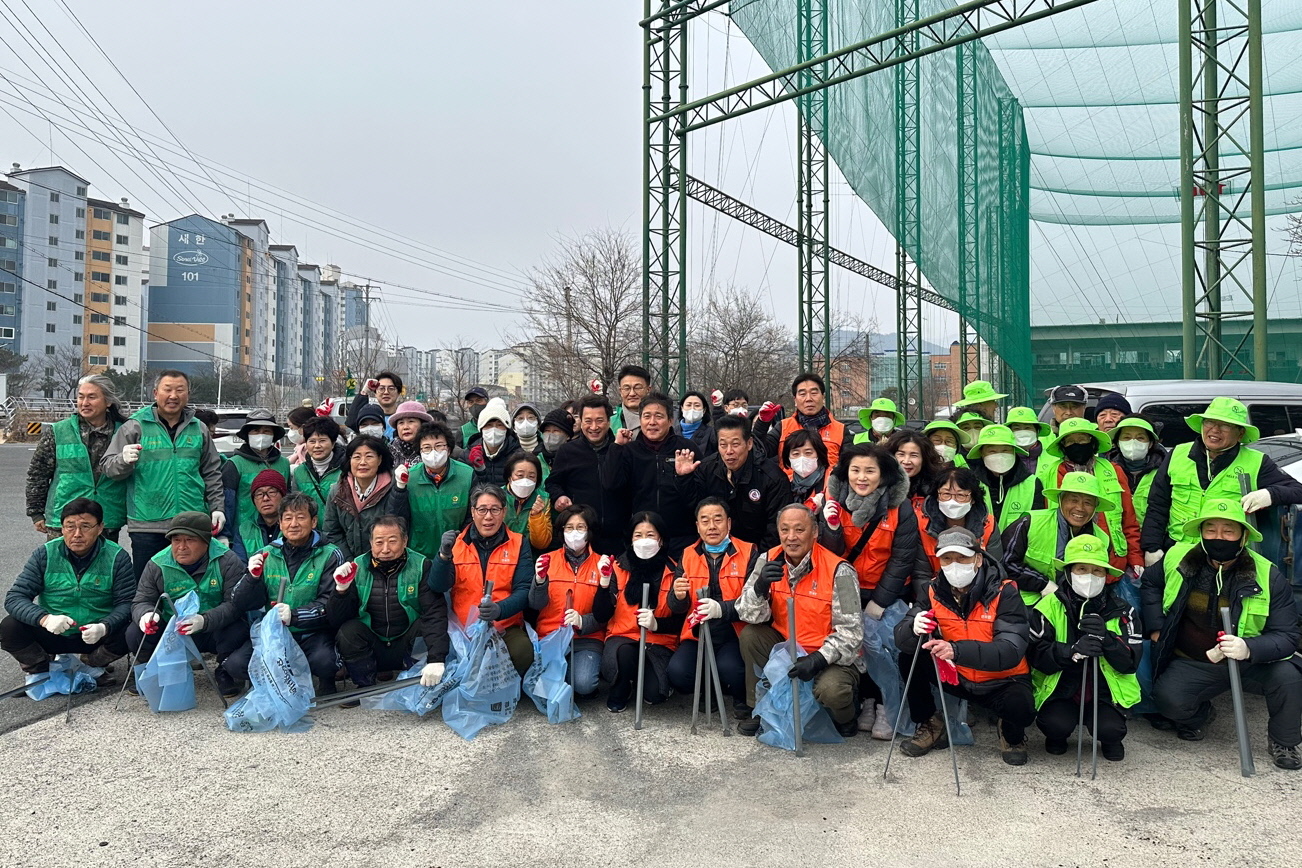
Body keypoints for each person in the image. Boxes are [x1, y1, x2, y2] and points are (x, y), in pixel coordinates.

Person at [1142, 498, 1302, 769]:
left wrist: (1250, 648)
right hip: (1195, 660)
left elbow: (1287, 636)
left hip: (1251, 662)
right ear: (1201, 533)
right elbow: (1150, 583)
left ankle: (1284, 741)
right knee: (1169, 701)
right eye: (1211, 530)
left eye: (1229, 530)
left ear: (1243, 536)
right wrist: (1156, 625)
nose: (1219, 537)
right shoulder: (1176, 558)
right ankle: (1201, 715)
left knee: (1288, 677)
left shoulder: (1268, 574)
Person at [896, 527, 1035, 765]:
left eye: (962, 558)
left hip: (1001, 680)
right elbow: (902, 639)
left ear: (978, 559)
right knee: (909, 658)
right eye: (947, 559)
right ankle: (931, 723)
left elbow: (1011, 650)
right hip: (957, 676)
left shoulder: (1005, 592)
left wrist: (957, 650)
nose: (954, 565)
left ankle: (1011, 734)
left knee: (1020, 705)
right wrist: (912, 628)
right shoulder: (931, 589)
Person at [736, 504, 864, 737]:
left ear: (815, 532)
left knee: (832, 690)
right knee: (750, 635)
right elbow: (746, 613)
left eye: (799, 530)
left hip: (828, 656)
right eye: (784, 530)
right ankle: (760, 709)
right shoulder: (767, 559)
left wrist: (818, 659)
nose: (791, 537)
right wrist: (760, 587)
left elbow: (852, 633)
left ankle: (847, 716)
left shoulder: (841, 570)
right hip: (786, 646)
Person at [819, 442, 920, 735]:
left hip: (885, 593)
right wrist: (833, 528)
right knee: (855, 649)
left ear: (883, 474)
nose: (861, 477)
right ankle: (865, 699)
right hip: (846, 593)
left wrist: (879, 601)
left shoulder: (899, 507)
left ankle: (885, 706)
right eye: (855, 470)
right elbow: (830, 557)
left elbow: (902, 558)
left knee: (884, 649)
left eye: (870, 471)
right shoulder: (835, 501)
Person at [1141, 397, 1302, 561]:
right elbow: (1157, 505)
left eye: (1225, 425)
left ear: (1240, 433)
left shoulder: (1257, 462)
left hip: (1231, 558)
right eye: (1209, 422)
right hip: (1178, 552)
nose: (1215, 430)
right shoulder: (1177, 454)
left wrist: (1270, 494)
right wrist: (1151, 547)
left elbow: (1298, 490)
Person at [102, 370, 225, 580]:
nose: (173, 396)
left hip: (190, 522)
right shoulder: (135, 426)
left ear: (188, 394)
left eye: (180, 390)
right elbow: (109, 467)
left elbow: (211, 472)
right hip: (147, 523)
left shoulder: (199, 428)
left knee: (191, 582)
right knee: (149, 582)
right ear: (155, 393)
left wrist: (217, 508)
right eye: (167, 390)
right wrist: (123, 460)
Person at [1029, 535, 1142, 760]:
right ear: (1069, 572)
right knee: (1054, 724)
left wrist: (1108, 641)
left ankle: (1110, 739)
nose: (1089, 576)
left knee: (1111, 730)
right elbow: (1036, 655)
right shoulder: (1047, 607)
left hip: (1105, 690)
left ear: (1106, 575)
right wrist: (1071, 650)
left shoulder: (1123, 610)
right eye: (1081, 569)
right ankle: (1057, 736)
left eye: (1097, 571)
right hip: (1062, 687)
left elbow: (1131, 663)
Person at [127, 511, 258, 697]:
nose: (181, 547)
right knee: (134, 631)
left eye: (189, 540)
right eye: (176, 540)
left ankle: (225, 669)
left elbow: (234, 604)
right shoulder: (157, 564)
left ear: (206, 541)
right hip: (172, 631)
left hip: (212, 629)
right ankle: (150, 669)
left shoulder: (227, 561)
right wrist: (147, 614)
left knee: (237, 629)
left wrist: (204, 620)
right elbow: (141, 600)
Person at [229, 493, 346, 695]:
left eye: (300, 517)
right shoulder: (265, 553)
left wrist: (295, 615)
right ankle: (280, 682)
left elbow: (331, 604)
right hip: (275, 634)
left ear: (314, 521)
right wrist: (252, 578)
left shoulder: (330, 554)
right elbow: (239, 602)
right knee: (236, 665)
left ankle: (326, 681)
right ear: (280, 523)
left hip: (314, 633)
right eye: (288, 518)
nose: (294, 524)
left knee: (325, 662)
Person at [2, 498, 135, 675]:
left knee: (134, 629)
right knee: (9, 627)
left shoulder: (117, 557)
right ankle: (40, 667)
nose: (77, 533)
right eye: (70, 526)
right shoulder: (45, 554)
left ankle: (94, 663)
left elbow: (127, 602)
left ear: (100, 528)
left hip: (95, 635)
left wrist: (105, 626)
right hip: (54, 631)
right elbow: (15, 598)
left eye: (86, 526)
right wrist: (45, 619)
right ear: (62, 528)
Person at [327, 515, 448, 703]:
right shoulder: (357, 567)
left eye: (392, 541)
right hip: (373, 644)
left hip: (406, 642)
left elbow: (435, 614)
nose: (385, 549)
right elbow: (336, 619)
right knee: (348, 631)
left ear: (405, 540)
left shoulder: (421, 565)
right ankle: (364, 686)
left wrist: (437, 658)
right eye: (379, 542)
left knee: (424, 624)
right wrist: (340, 590)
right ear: (370, 543)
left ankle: (415, 682)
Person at [429, 485, 535, 677]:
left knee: (523, 654)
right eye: (482, 510)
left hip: (505, 624)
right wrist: (443, 555)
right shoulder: (457, 543)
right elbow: (438, 585)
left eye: (495, 509)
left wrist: (500, 609)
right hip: (464, 628)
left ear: (504, 512)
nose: (488, 517)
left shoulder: (519, 542)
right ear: (473, 512)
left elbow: (524, 590)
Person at [665, 498, 758, 717]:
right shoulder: (688, 554)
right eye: (705, 521)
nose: (712, 526)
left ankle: (739, 696)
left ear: (729, 523)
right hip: (698, 634)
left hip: (734, 631)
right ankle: (708, 691)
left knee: (732, 669)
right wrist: (677, 596)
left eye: (718, 519)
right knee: (678, 673)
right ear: (697, 526)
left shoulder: (748, 552)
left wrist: (722, 609)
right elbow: (676, 606)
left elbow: (754, 601)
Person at [594, 511, 683, 713]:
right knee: (625, 654)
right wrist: (604, 582)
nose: (644, 541)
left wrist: (656, 624)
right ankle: (622, 686)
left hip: (659, 642)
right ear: (630, 539)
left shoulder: (674, 570)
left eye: (650, 535)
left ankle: (646, 680)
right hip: (622, 637)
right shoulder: (617, 567)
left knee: (654, 695)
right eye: (638, 535)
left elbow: (681, 619)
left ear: (661, 540)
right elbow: (601, 614)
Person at [26, 374, 128, 543]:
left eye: (92, 397)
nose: (84, 403)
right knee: (60, 568)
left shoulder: (125, 432)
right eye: (81, 397)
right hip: (64, 520)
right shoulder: (59, 431)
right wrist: (36, 512)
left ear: (108, 401)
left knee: (102, 568)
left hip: (106, 519)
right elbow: (38, 474)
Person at [1036, 418, 1143, 577]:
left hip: (1111, 562)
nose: (1077, 444)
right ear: (1063, 446)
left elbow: (1129, 519)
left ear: (1092, 443)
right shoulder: (1049, 474)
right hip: (1065, 561)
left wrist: (1135, 558)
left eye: (1081, 439)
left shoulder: (1113, 470)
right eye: (1070, 441)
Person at [527, 505, 612, 698]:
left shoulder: (602, 564)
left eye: (580, 527)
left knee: (583, 683)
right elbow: (535, 605)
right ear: (561, 531)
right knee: (540, 686)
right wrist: (540, 580)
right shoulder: (547, 560)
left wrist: (583, 622)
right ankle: (561, 675)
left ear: (589, 531)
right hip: (550, 637)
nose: (575, 533)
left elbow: (607, 612)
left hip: (587, 640)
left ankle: (574, 675)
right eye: (569, 527)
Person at [601, 393, 701, 555]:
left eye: (659, 416)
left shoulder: (686, 449)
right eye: (646, 416)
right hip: (642, 538)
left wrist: (684, 478)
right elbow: (610, 485)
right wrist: (616, 448)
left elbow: (698, 497)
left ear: (671, 420)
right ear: (640, 420)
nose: (652, 422)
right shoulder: (629, 450)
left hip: (682, 538)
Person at [1002, 471, 1121, 605]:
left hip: (1076, 607)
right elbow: (1005, 562)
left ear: (1095, 507)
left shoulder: (1102, 540)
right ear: (1060, 500)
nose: (1080, 508)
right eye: (1073, 500)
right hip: (1026, 604)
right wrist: (1043, 584)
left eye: (1088, 503)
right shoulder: (1030, 522)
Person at [688, 414, 788, 550]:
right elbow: (694, 507)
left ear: (749, 443)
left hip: (757, 552)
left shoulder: (772, 477)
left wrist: (757, 559)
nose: (729, 451)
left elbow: (776, 527)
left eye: (735, 444)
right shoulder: (706, 469)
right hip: (715, 550)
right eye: (723, 445)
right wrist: (683, 479)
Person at [546, 395, 625, 555]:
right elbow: (552, 483)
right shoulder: (567, 451)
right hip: (581, 536)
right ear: (580, 422)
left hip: (618, 537)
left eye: (600, 420)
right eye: (588, 421)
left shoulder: (621, 449)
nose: (594, 427)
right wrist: (559, 496)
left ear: (609, 421)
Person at [323, 434, 408, 562]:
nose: (362, 462)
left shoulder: (394, 488)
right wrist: (350, 561)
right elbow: (331, 532)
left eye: (369, 456)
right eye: (357, 457)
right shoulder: (337, 491)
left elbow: (399, 526)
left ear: (379, 460)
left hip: (387, 559)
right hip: (349, 563)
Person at [394, 422, 472, 560]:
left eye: (439, 446)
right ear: (420, 452)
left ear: (448, 449)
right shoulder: (409, 477)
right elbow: (398, 517)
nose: (433, 452)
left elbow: (472, 517)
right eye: (426, 448)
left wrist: (462, 542)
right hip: (419, 556)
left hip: (458, 554)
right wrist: (399, 488)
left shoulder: (467, 474)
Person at [915, 466, 1003, 584]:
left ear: (972, 498)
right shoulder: (922, 525)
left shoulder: (988, 524)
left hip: (979, 590)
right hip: (935, 591)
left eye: (960, 495)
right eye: (946, 494)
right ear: (937, 496)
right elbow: (921, 575)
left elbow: (994, 570)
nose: (952, 501)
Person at [221, 409, 290, 548]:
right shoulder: (235, 464)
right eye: (256, 431)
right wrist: (225, 534)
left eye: (266, 431)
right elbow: (227, 503)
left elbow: (288, 498)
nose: (261, 435)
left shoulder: (284, 463)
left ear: (274, 435)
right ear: (247, 435)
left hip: (280, 533)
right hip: (244, 536)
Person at [755, 372, 851, 470]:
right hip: (789, 484)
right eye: (802, 394)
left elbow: (849, 466)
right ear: (795, 400)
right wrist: (762, 423)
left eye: (814, 393)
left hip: (827, 485)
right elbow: (759, 451)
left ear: (823, 397)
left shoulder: (840, 430)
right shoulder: (783, 427)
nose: (808, 399)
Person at [967, 424, 1042, 532]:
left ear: (1014, 452)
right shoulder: (970, 483)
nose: (999, 456)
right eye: (992, 451)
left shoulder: (1033, 484)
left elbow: (1036, 526)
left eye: (1005, 450)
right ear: (981, 453)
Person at [1106, 416, 1166, 529]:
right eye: (1126, 437)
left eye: (1140, 438)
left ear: (1151, 443)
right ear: (1117, 443)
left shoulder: (1165, 471)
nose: (1133, 442)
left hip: (1154, 539)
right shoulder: (1106, 471)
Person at [291, 416, 346, 516]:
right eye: (312, 441)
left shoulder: (345, 469)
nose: (317, 446)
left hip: (338, 530)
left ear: (333, 443)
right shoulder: (299, 472)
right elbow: (296, 506)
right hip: (310, 530)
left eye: (322, 440)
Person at [502, 451, 553, 551]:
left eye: (531, 476)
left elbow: (541, 544)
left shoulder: (544, 499)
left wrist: (536, 516)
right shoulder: (496, 497)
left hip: (530, 556)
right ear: (509, 477)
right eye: (520, 475)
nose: (525, 480)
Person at [231, 470, 286, 560]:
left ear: (283, 496)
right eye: (259, 494)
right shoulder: (244, 530)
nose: (265, 498)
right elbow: (240, 566)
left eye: (271, 492)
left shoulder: (293, 526)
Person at [465, 398, 520, 488]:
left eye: (499, 425)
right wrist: (479, 469)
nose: (494, 430)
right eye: (488, 425)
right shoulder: (467, 455)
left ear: (507, 428)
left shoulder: (518, 456)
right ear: (481, 429)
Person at [886, 428, 944, 506]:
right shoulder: (879, 486)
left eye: (914, 455)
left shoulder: (936, 489)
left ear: (924, 459)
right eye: (901, 454)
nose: (906, 461)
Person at [780, 429, 830, 512]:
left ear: (819, 454)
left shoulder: (831, 481)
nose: (802, 458)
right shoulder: (784, 482)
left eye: (808, 453)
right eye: (796, 454)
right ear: (788, 458)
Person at [344, 370, 404, 438]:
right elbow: (351, 422)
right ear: (375, 392)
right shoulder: (369, 417)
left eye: (391, 388)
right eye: (381, 388)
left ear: (399, 392)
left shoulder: (402, 418)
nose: (386, 392)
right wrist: (364, 392)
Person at [1004, 406, 1051, 473]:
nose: (1023, 432)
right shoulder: (1003, 459)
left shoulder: (1052, 457)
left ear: (1037, 431)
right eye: (1017, 429)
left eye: (1027, 428)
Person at [388, 401, 434, 468]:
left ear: (422, 424)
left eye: (411, 421)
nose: (405, 427)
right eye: (401, 423)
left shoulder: (434, 448)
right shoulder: (389, 450)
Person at [611, 364, 653, 434]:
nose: (632, 394)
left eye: (637, 388)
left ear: (648, 390)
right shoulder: (610, 424)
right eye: (626, 388)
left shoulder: (662, 421)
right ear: (620, 391)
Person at [675, 391, 717, 457]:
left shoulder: (712, 433)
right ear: (682, 408)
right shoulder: (671, 433)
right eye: (688, 405)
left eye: (697, 405)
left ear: (704, 410)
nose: (692, 409)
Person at [538, 408, 574, 474]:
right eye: (547, 431)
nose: (550, 434)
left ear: (568, 436)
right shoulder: (535, 458)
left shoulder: (576, 459)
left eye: (556, 431)